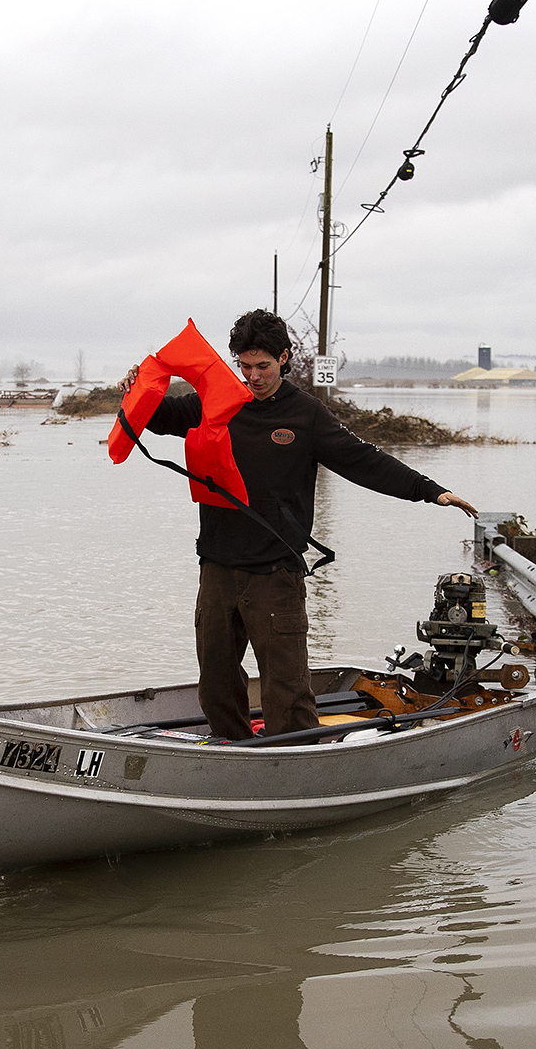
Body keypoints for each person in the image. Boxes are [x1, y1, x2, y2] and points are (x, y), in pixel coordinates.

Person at [144, 309, 477, 740]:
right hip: (218, 568)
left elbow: (365, 461)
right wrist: (137, 388)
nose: (253, 376)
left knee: (286, 691)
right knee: (215, 686)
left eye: (263, 365)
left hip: (275, 574)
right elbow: (157, 417)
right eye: (243, 366)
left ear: (284, 358)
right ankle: (235, 754)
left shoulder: (306, 415)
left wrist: (430, 490)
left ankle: (299, 763)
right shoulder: (215, 401)